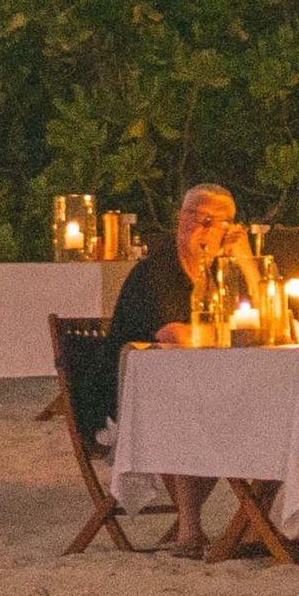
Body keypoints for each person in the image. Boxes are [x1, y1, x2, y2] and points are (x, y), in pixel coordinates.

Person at [109, 183, 252, 552]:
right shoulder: (156, 271)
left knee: (262, 408)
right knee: (189, 405)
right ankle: (190, 529)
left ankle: (254, 521)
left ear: (229, 231)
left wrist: (248, 262)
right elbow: (175, 334)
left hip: (198, 388)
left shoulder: (222, 273)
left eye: (210, 221)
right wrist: (236, 331)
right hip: (126, 395)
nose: (197, 226)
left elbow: (269, 320)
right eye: (191, 215)